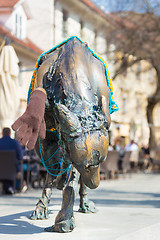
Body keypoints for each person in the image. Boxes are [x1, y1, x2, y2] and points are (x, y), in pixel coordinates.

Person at [0, 127, 23, 194]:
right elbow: (21, 157)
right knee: (19, 166)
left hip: (0, 169)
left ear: (2, 133)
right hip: (12, 169)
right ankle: (11, 187)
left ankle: (7, 187)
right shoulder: (15, 143)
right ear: (10, 134)